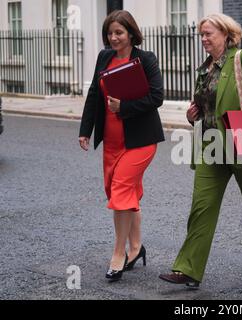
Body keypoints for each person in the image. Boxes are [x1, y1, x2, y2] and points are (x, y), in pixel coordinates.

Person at [159, 13, 242, 289]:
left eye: (208, 34)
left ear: (226, 34)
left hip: (241, 142)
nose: (203, 39)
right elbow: (202, 106)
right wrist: (193, 114)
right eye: (201, 34)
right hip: (211, 146)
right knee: (201, 207)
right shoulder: (205, 67)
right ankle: (188, 268)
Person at [78, 10, 164, 282]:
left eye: (119, 32)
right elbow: (94, 93)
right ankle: (136, 248)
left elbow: (157, 97)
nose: (113, 38)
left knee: (121, 191)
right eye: (110, 33)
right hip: (112, 142)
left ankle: (119, 254)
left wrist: (124, 107)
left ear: (130, 33)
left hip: (140, 140)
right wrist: (85, 129)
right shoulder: (104, 57)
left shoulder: (145, 59)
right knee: (123, 196)